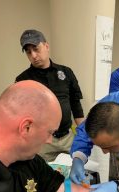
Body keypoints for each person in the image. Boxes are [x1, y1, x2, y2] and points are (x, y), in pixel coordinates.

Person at [15, 29, 84, 162]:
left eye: (36, 49)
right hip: (42, 144)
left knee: (72, 178)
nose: (33, 55)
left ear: (46, 46)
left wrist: (83, 135)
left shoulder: (66, 72)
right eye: (29, 52)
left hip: (67, 139)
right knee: (44, 180)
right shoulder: (22, 80)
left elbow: (76, 105)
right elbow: (20, 115)